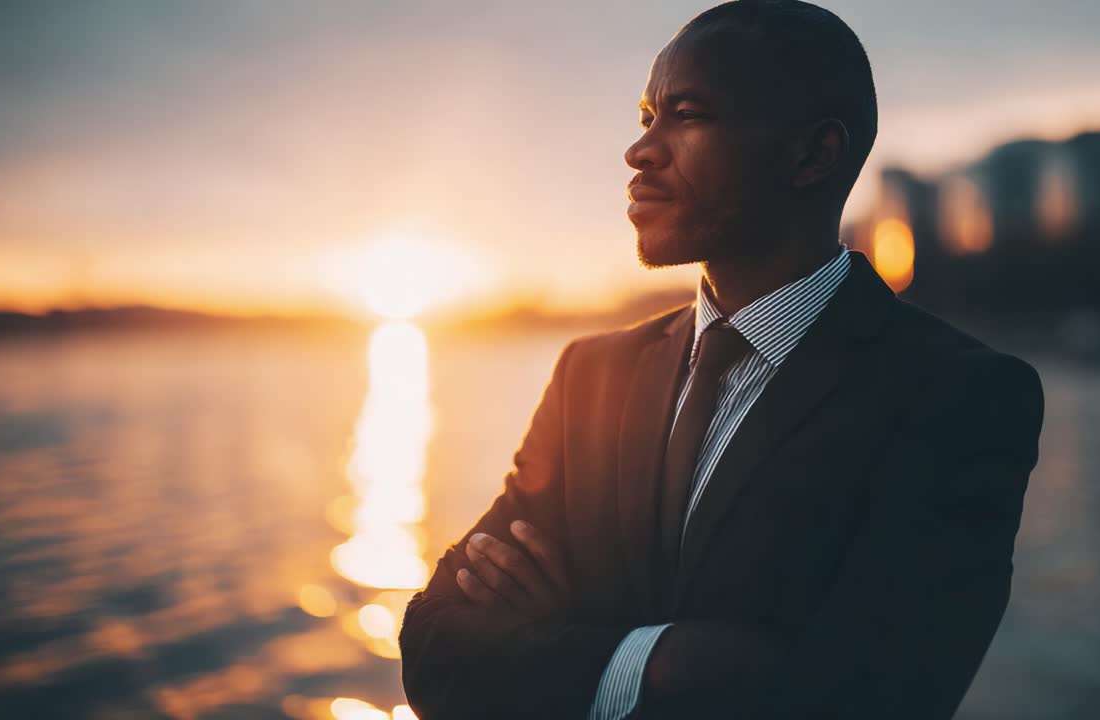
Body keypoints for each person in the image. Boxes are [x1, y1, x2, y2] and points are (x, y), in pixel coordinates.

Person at [399, 1, 1044, 718]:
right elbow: (431, 645)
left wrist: (552, 642)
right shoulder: (591, 375)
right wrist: (660, 662)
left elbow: (870, 701)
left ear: (812, 155)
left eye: (687, 115)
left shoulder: (960, 396)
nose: (640, 151)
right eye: (647, 117)